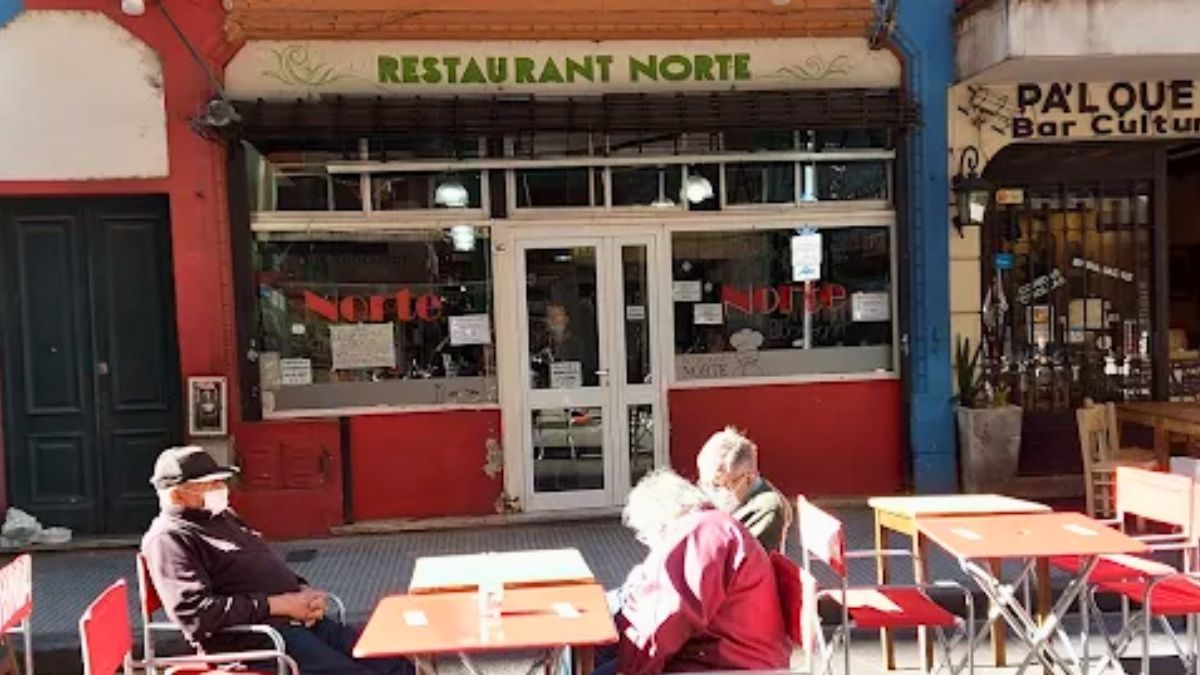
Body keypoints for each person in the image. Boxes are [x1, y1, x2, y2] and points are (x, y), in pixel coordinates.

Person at [141, 446, 411, 675]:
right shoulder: (169, 539)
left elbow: (262, 562)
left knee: (394, 664)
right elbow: (197, 614)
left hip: (297, 622)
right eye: (210, 484)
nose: (221, 489)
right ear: (177, 495)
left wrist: (302, 591)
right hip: (255, 639)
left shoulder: (223, 517)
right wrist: (278, 605)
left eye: (222, 482)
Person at [605, 470, 790, 675]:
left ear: (660, 519)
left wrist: (630, 669)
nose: (648, 543)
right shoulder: (711, 525)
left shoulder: (698, 533)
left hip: (729, 665)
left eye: (644, 534)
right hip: (735, 655)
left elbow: (666, 620)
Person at [696, 427, 792, 552]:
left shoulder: (767, 512)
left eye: (720, 486)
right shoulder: (735, 499)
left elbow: (738, 562)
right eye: (706, 484)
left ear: (749, 479)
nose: (712, 492)